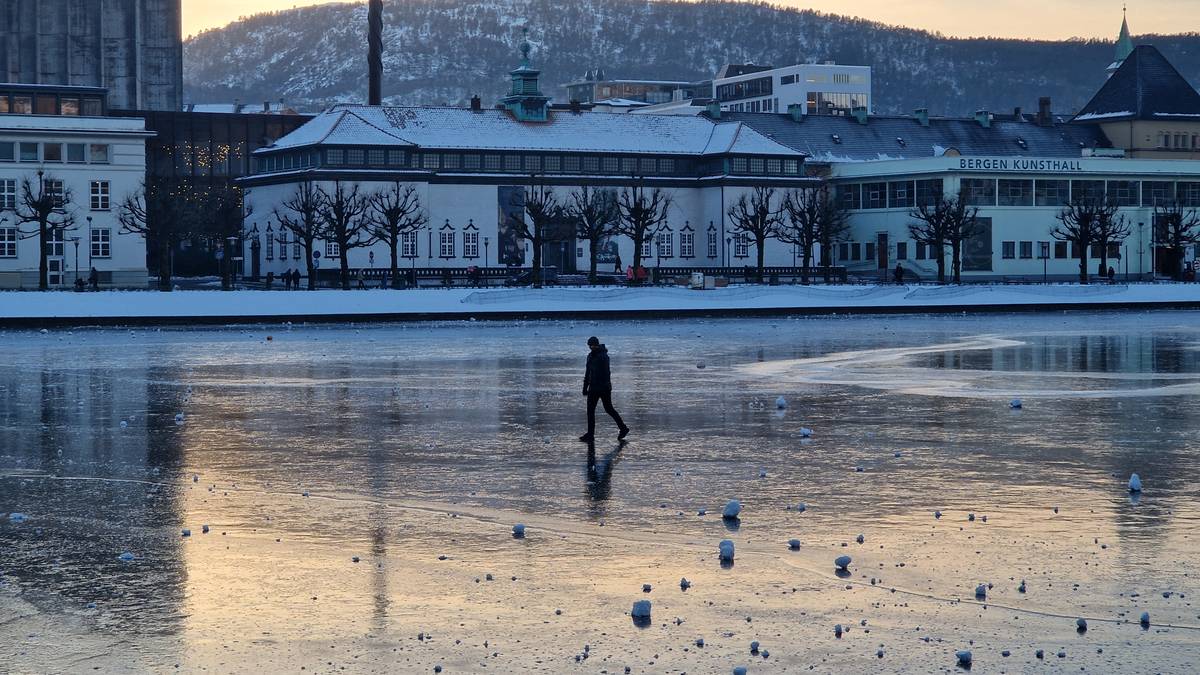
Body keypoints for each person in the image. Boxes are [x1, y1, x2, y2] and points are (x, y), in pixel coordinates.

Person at [580, 336, 630, 442]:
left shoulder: (603, 356)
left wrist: (603, 386)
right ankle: (590, 434)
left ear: (597, 344)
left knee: (609, 409)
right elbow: (588, 373)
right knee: (590, 411)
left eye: (592, 345)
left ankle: (623, 428)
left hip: (603, 388)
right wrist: (585, 387)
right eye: (589, 345)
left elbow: (605, 373)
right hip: (593, 388)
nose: (590, 347)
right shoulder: (590, 356)